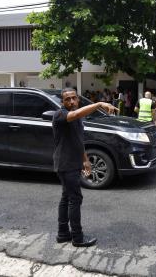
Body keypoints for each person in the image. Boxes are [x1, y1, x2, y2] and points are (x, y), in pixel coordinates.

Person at [53, 88, 117, 247]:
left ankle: (62, 234)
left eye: (74, 98)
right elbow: (74, 114)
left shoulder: (77, 118)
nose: (71, 101)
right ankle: (77, 237)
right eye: (67, 99)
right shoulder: (61, 114)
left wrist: (85, 160)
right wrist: (99, 103)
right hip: (65, 163)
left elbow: (77, 140)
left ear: (78, 99)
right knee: (75, 199)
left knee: (66, 197)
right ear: (62, 102)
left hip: (72, 162)